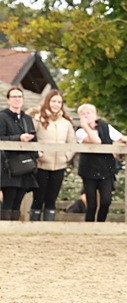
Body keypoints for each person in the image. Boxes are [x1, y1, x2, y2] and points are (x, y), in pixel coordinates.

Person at [75, 103, 127, 222]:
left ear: (95, 114)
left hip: (106, 169)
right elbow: (96, 141)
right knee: (91, 203)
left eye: (89, 113)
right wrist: (86, 126)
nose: (87, 115)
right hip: (89, 170)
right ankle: (89, 226)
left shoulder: (105, 127)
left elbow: (122, 138)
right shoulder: (80, 131)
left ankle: (101, 224)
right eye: (83, 114)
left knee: (106, 201)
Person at [31, 89, 75, 220]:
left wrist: (67, 156)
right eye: (53, 101)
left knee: (51, 199)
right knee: (38, 198)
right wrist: (39, 155)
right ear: (47, 102)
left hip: (59, 165)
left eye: (59, 102)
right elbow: (32, 139)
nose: (56, 104)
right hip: (42, 165)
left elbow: (72, 142)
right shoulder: (38, 119)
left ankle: (48, 227)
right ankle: (34, 226)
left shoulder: (66, 122)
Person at [0, 86, 38, 220]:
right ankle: (5, 228)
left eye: (19, 97)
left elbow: (35, 138)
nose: (17, 99)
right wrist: (19, 138)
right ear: (8, 100)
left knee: (19, 199)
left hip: (25, 164)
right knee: (9, 199)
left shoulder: (27, 118)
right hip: (8, 165)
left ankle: (15, 229)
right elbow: (1, 138)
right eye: (14, 97)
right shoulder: (2, 117)